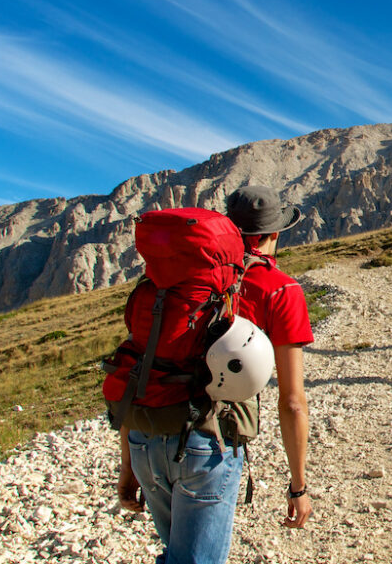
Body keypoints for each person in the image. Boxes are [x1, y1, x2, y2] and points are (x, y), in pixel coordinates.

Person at [117, 184, 314, 563]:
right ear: (275, 233)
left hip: (145, 435)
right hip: (206, 445)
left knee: (177, 554)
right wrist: (298, 486)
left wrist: (127, 464)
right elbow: (291, 402)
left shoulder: (170, 282)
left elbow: (138, 368)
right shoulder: (280, 288)